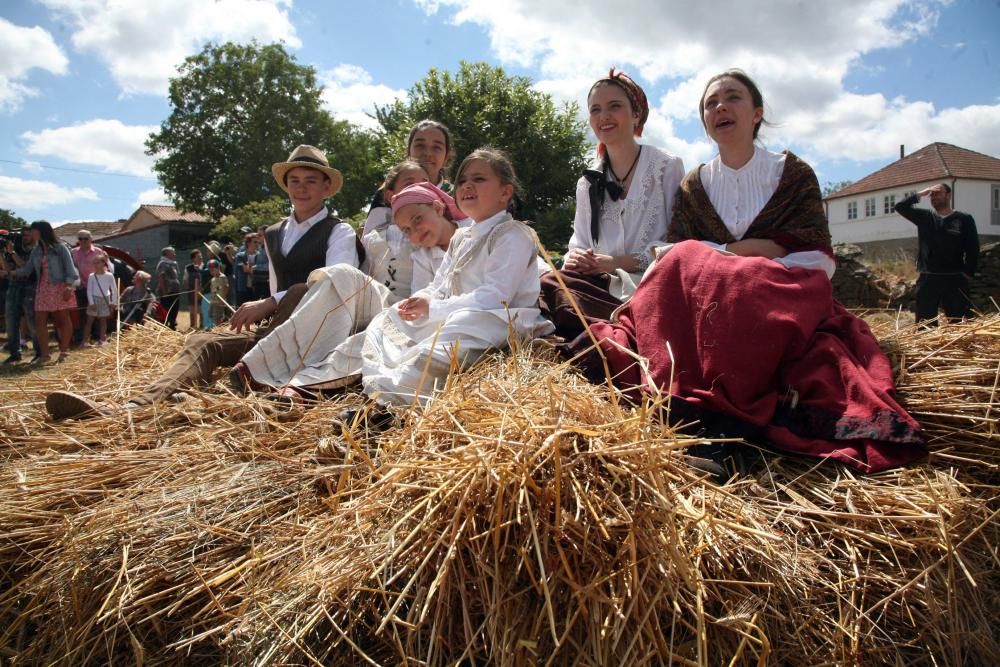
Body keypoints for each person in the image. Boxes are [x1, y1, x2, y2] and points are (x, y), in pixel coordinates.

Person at [564, 70, 925, 474]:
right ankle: (684, 411)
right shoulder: (695, 185)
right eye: (710, 103)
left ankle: (724, 426)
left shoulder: (791, 173)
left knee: (732, 280)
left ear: (756, 113)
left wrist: (736, 263)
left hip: (782, 288)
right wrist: (741, 252)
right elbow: (673, 253)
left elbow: (817, 258)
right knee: (697, 271)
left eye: (732, 98)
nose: (720, 107)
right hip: (710, 295)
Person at [45, 144, 359, 419]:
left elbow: (336, 287)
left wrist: (270, 302)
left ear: (327, 187)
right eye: (294, 181)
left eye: (310, 181)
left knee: (303, 289)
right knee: (201, 341)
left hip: (315, 341)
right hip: (275, 333)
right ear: (285, 186)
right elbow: (275, 285)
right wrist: (269, 306)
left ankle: (209, 399)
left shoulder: (339, 231)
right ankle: (133, 408)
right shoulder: (275, 233)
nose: (301, 188)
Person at [355, 147, 553, 412]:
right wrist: (423, 299)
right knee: (389, 317)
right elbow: (440, 284)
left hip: (501, 320)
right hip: (460, 315)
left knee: (456, 327)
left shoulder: (513, 234)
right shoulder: (462, 237)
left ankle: (393, 403)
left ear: (505, 192)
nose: (467, 185)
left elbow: (497, 297)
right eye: (462, 181)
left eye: (479, 179)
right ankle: (381, 389)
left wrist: (435, 308)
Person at [233, 179, 470, 400]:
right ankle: (263, 365)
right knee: (341, 274)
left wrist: (424, 308)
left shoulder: (474, 233)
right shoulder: (419, 250)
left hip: (448, 319)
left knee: (379, 333)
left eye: (417, 220)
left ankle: (306, 384)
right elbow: (423, 290)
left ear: (438, 207)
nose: (415, 232)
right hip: (406, 304)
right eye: (407, 230)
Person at [539, 69, 685, 340]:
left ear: (636, 114)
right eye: (595, 110)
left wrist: (615, 262)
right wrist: (580, 258)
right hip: (599, 285)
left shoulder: (666, 166)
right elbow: (578, 243)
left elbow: (679, 244)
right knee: (549, 284)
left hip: (650, 281)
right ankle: (598, 334)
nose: (603, 116)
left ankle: (606, 334)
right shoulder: (588, 181)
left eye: (614, 106)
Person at [894, 184, 979, 324]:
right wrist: (920, 194)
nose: (933, 197)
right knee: (925, 322)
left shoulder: (964, 219)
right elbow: (900, 207)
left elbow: (973, 248)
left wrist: (967, 273)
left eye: (937, 193)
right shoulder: (925, 217)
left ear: (948, 195)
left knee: (959, 322)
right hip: (929, 277)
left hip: (955, 277)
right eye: (931, 195)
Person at [362, 120, 455, 235]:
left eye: (436, 147)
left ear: (446, 156)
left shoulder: (456, 195)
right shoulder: (388, 192)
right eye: (420, 145)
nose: (428, 153)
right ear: (408, 151)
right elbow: (372, 240)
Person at [14, 221, 80, 364]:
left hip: (60, 287)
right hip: (42, 288)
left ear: (41, 231)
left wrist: (69, 286)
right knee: (39, 321)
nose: (30, 233)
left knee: (62, 319)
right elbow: (27, 270)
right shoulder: (36, 251)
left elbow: (70, 269)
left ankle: (64, 351)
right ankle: (45, 355)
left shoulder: (60, 248)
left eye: (33, 231)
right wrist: (10, 272)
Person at [1, 229, 39, 363]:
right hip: (13, 286)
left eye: (28, 235)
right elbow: (7, 269)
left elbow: (25, 266)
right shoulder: (13, 248)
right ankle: (14, 352)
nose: (25, 237)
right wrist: (1, 254)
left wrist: (12, 253)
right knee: (10, 321)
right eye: (23, 235)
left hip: (30, 287)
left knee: (32, 321)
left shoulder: (35, 250)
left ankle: (39, 352)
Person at [70, 229, 111, 344]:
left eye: (85, 238)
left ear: (91, 239)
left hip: (96, 288)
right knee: (82, 314)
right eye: (80, 238)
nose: (83, 241)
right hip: (81, 287)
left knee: (99, 315)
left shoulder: (98, 252)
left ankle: (99, 337)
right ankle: (83, 339)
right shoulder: (73, 253)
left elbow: (107, 269)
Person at [83, 253, 118, 346]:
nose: (95, 265)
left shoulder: (109, 275)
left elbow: (114, 289)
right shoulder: (91, 276)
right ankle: (85, 341)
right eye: (94, 263)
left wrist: (113, 302)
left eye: (98, 262)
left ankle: (102, 339)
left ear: (103, 263)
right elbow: (89, 290)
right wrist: (91, 302)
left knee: (103, 321)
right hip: (94, 299)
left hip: (104, 298)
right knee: (89, 321)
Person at [154, 246, 181, 330]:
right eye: (172, 252)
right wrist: (164, 291)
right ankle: (164, 327)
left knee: (174, 309)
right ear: (167, 254)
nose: (174, 254)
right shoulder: (163, 263)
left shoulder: (172, 264)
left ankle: (172, 326)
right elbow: (161, 277)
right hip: (167, 292)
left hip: (174, 291)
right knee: (166, 310)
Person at [184, 249, 204, 330]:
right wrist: (188, 289)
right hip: (192, 292)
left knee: (202, 310)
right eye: (198, 256)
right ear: (193, 258)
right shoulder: (188, 268)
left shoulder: (205, 266)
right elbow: (185, 280)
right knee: (192, 311)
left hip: (202, 292)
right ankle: (192, 326)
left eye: (201, 256)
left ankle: (202, 326)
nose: (201, 258)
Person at [207, 259, 230, 324]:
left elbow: (226, 287)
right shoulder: (213, 279)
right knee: (213, 316)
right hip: (213, 300)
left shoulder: (222, 277)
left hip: (219, 301)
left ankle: (218, 328)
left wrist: (223, 299)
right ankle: (215, 327)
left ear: (218, 268)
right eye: (210, 271)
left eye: (213, 270)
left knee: (218, 316)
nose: (211, 272)